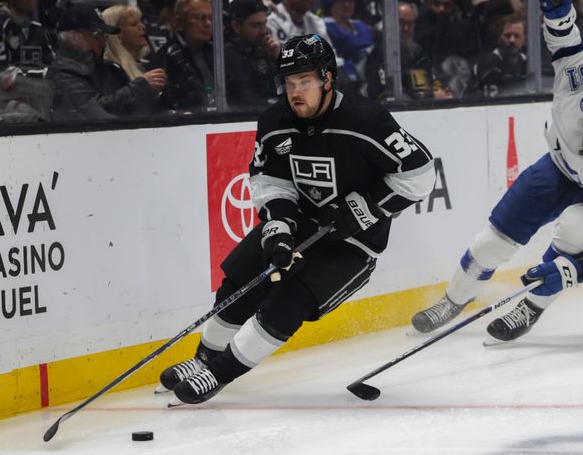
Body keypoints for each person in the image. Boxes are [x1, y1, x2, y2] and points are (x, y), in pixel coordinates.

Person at [160, 34, 436, 405]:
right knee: (239, 280)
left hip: (352, 243)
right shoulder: (275, 121)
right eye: (289, 83)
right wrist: (279, 230)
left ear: (327, 79)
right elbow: (269, 180)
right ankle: (203, 360)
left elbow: (419, 174)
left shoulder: (367, 120)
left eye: (304, 81)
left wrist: (359, 211)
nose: (296, 92)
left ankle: (219, 373)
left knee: (288, 300)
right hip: (302, 223)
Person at [410, 0, 583, 343]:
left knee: (575, 232)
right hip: (556, 169)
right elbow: (569, 51)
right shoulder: (582, 96)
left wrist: (573, 269)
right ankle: (453, 299)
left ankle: (533, 305)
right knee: (491, 243)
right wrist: (560, 17)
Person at [48, 4, 152, 120]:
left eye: (104, 36)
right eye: (98, 36)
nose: (103, 43)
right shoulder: (63, 76)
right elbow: (95, 116)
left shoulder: (107, 70)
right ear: (74, 38)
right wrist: (137, 89)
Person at [153, 0, 216, 113]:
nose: (208, 23)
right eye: (200, 17)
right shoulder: (167, 56)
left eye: (211, 18)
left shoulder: (216, 52)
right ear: (179, 23)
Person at [99, 4, 167, 115]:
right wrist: (143, 86)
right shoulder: (108, 70)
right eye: (134, 24)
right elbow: (110, 109)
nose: (143, 27)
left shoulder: (143, 65)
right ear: (117, 34)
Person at [224, 0, 280, 108]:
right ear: (236, 26)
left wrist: (275, 60)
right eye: (256, 25)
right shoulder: (228, 55)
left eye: (264, 24)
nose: (264, 31)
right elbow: (246, 100)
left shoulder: (263, 48)